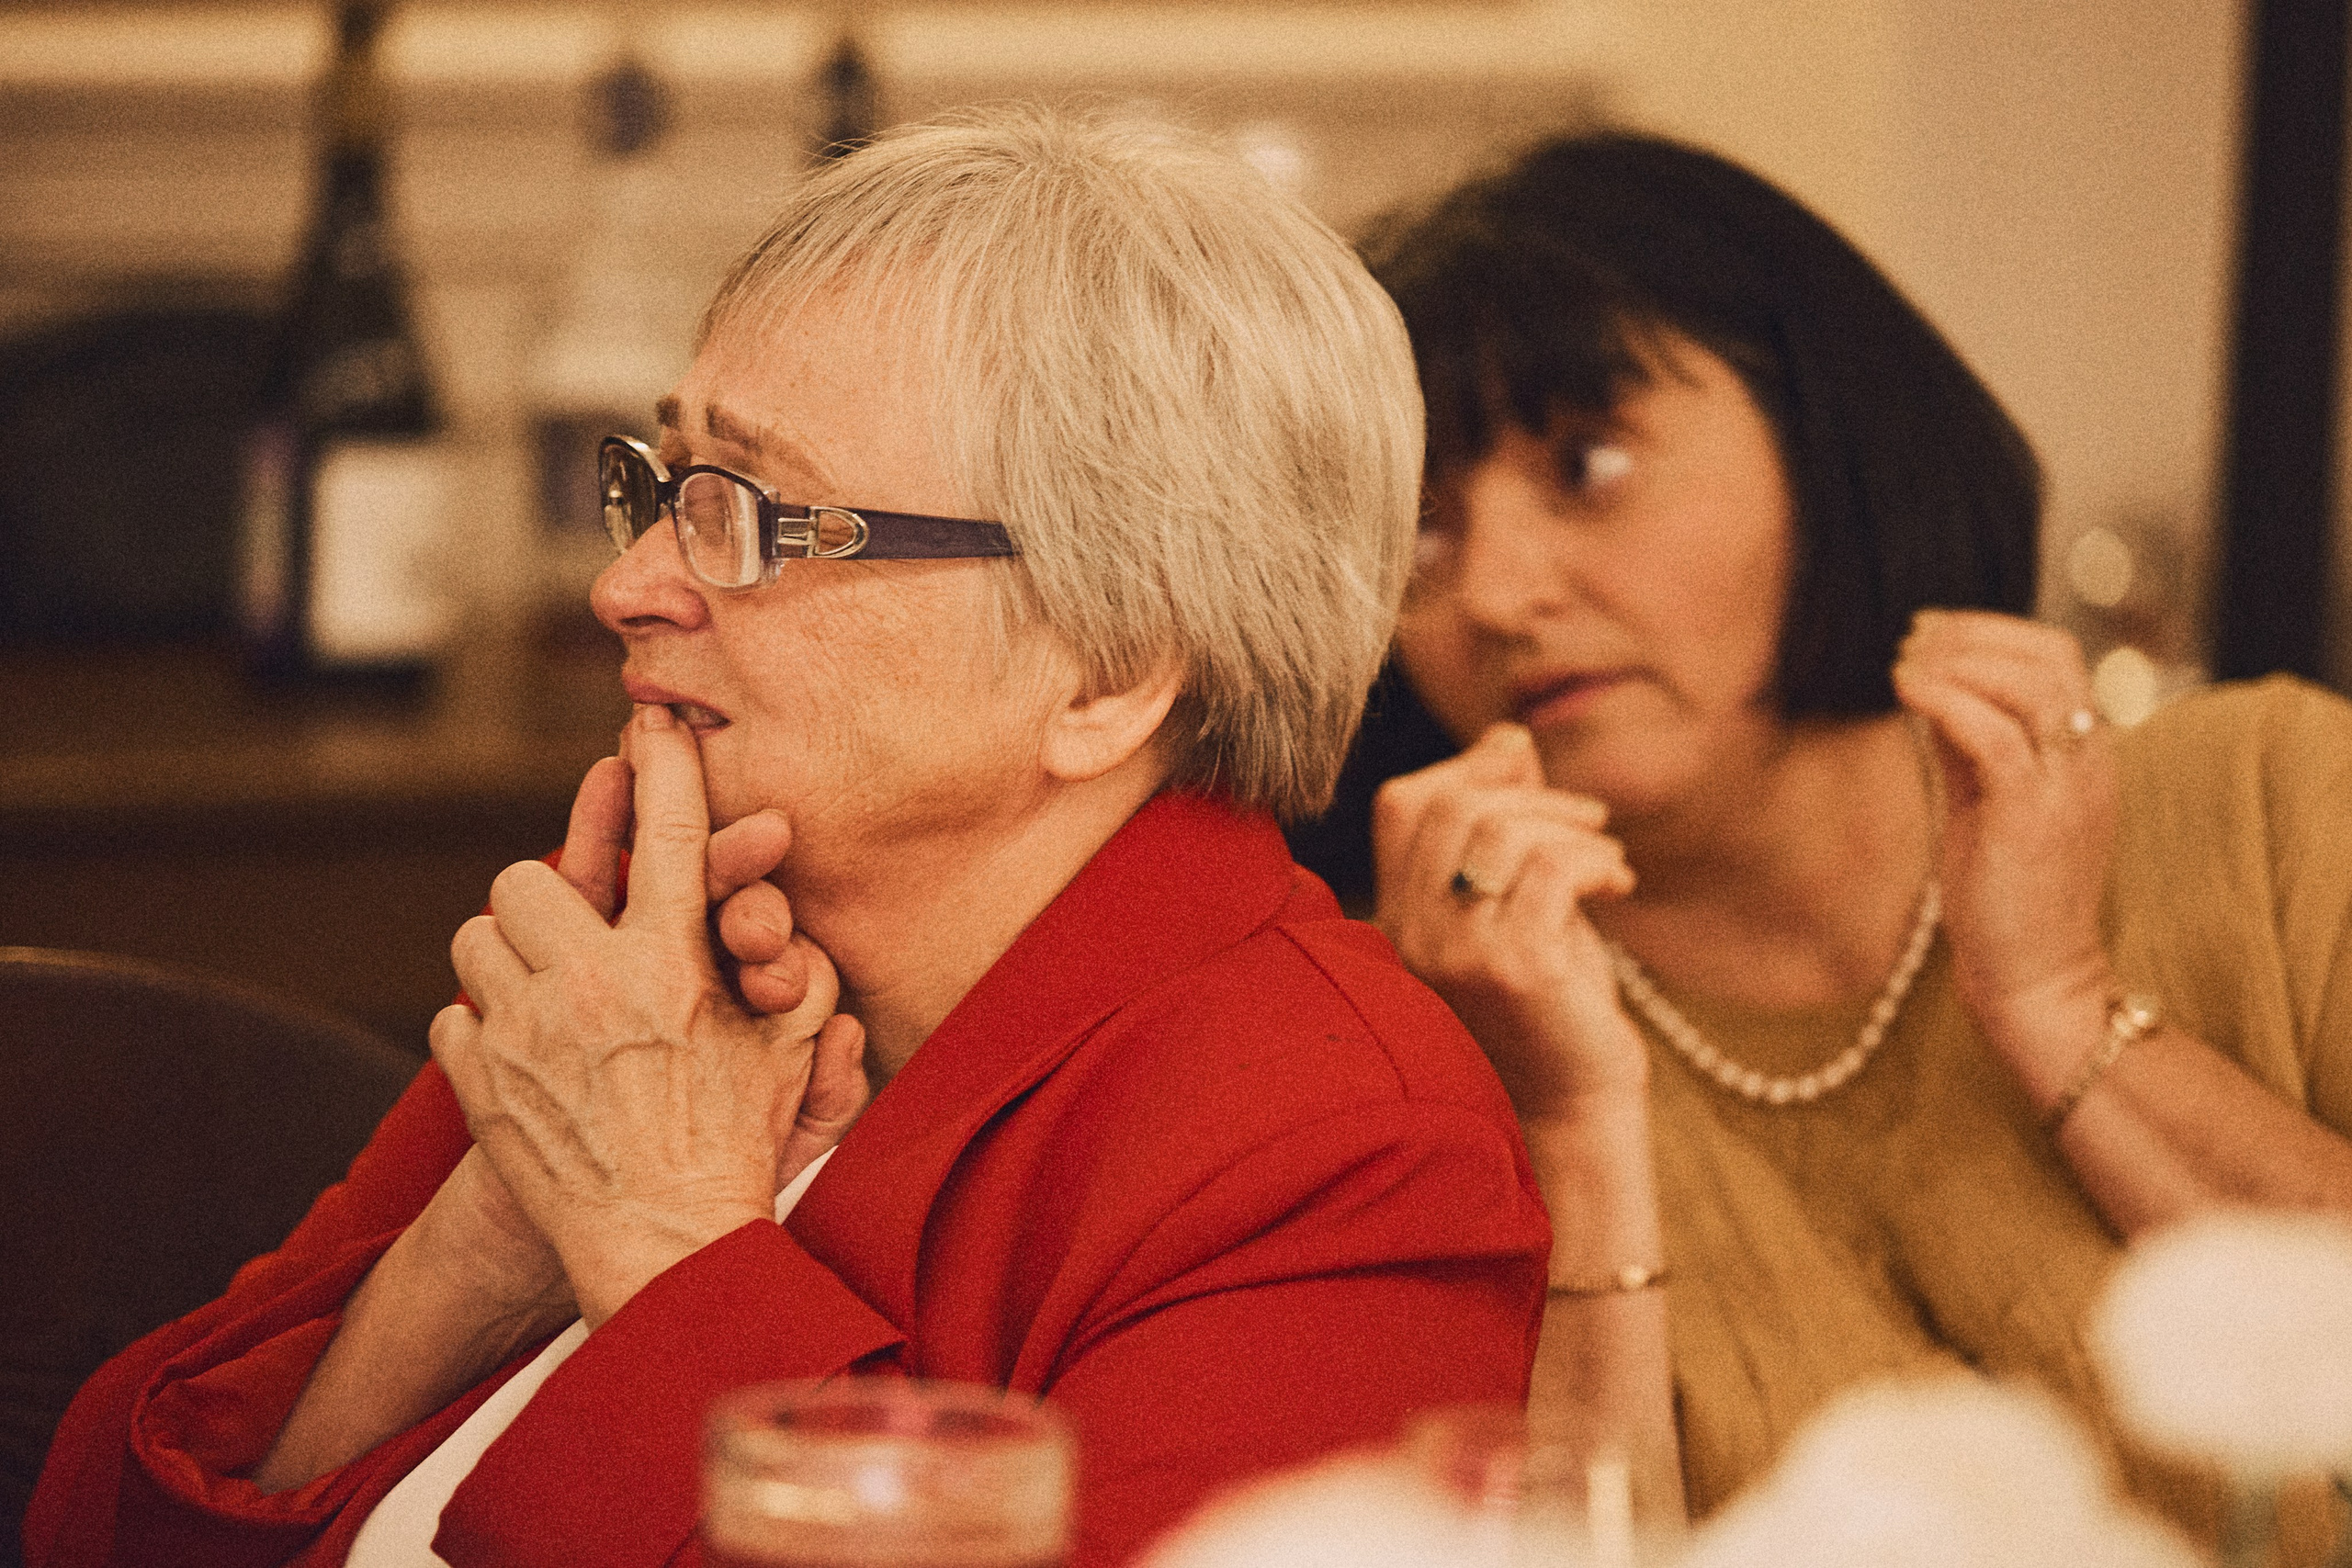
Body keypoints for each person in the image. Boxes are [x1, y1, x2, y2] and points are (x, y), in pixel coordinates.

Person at [27, 107, 1551, 1568]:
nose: (625, 584)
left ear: (1107, 671)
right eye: (663, 483)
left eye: (749, 513)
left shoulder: (1344, 1152)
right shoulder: (647, 971)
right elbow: (92, 1532)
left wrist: (657, 1234)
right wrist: (482, 1254)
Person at [1292, 132, 2352, 1558]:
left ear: (1828, 431)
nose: (1494, 590)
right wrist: (1570, 1125)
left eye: (1589, 463)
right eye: (1415, 539)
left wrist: (2061, 1006)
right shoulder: (1400, 1013)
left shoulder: (2271, 799)